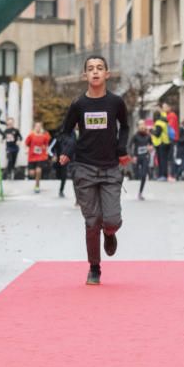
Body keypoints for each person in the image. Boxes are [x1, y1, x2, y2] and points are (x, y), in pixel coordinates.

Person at [58, 55, 130, 286]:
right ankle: (94, 268)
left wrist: (122, 149)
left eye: (100, 68)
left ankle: (109, 233)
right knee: (92, 221)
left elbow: (125, 126)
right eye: (91, 69)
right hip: (85, 168)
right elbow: (65, 131)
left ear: (107, 74)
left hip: (110, 168)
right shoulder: (79, 105)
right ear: (85, 76)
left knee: (111, 219)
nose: (95, 72)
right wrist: (67, 150)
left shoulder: (116, 103)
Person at [128, 122, 153, 200]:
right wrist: (132, 156)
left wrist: (150, 148)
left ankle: (140, 192)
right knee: (136, 174)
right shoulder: (135, 136)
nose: (142, 129)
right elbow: (129, 146)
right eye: (141, 127)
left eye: (143, 127)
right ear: (138, 128)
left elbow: (152, 145)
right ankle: (133, 176)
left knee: (143, 175)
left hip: (145, 157)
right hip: (137, 157)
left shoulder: (148, 136)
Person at [25, 121, 51, 193]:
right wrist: (26, 150)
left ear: (41, 127)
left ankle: (37, 186)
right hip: (32, 156)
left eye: (39, 126)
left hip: (41, 156)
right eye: (36, 126)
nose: (38, 128)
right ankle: (36, 180)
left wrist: (45, 148)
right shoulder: (31, 135)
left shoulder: (44, 135)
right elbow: (26, 144)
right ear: (34, 127)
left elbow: (47, 143)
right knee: (32, 173)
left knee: (38, 171)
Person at [49, 128, 69, 197]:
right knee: (58, 175)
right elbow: (49, 149)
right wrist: (53, 155)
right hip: (57, 160)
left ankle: (61, 190)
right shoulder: (56, 138)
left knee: (64, 175)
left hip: (66, 160)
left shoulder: (69, 137)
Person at [150, 111, 170, 181]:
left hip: (161, 143)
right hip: (165, 142)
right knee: (163, 160)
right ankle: (163, 175)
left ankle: (163, 175)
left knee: (162, 160)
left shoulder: (158, 123)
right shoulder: (164, 122)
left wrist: (151, 131)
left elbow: (157, 134)